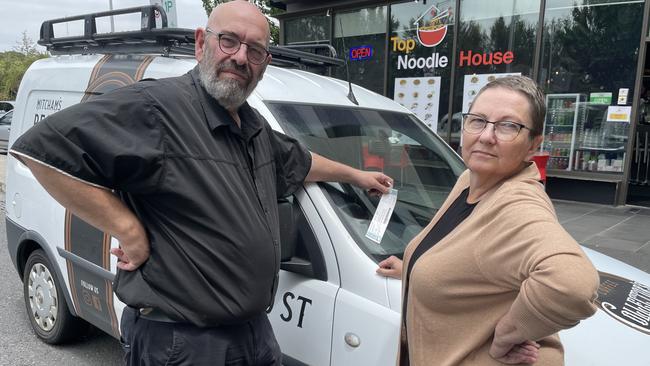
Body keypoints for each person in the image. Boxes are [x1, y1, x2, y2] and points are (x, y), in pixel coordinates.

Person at [10, 1, 392, 365]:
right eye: (229, 41)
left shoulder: (253, 128)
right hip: (182, 342)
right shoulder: (158, 109)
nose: (241, 57)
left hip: (253, 333)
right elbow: (39, 150)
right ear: (201, 43)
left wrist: (357, 175)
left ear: (264, 64)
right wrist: (128, 229)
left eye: (255, 51)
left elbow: (302, 162)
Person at [377, 75, 599, 365]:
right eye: (478, 120)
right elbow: (474, 254)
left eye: (508, 126)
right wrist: (414, 267)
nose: (485, 136)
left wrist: (508, 334)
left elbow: (573, 284)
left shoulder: (517, 203)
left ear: (533, 145)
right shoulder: (469, 180)